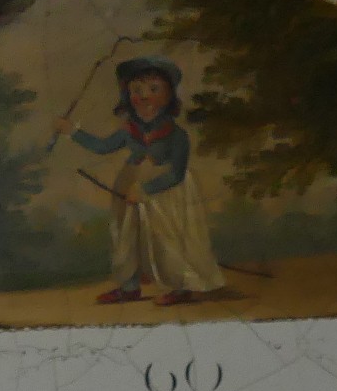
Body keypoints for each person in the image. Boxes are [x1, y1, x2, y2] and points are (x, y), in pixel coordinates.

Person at [54, 57, 226, 306]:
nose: (144, 97)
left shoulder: (176, 136)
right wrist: (72, 131)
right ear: (127, 96)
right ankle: (128, 286)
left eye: (154, 90)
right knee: (126, 237)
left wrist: (146, 189)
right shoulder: (128, 130)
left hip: (165, 193)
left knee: (165, 239)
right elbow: (103, 147)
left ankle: (178, 287)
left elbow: (176, 174)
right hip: (129, 186)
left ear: (169, 96)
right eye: (137, 91)